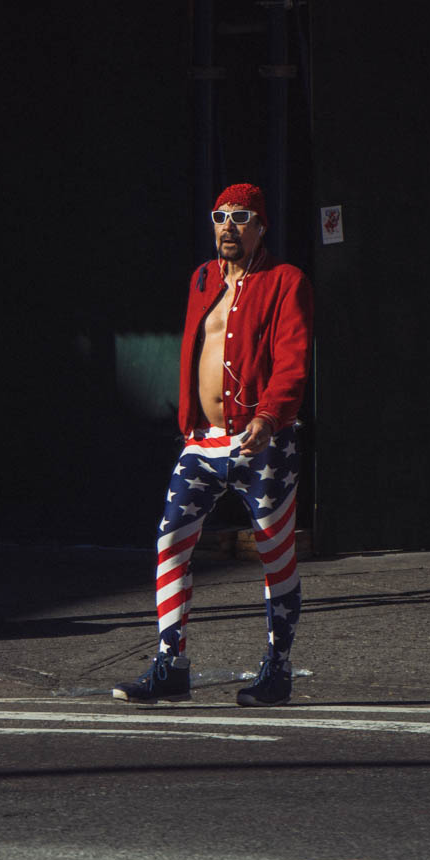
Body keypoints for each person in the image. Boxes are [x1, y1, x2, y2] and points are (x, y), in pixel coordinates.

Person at [114, 183, 313, 707]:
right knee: (170, 542)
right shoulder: (202, 278)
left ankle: (278, 667)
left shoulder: (285, 281)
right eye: (220, 216)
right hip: (202, 443)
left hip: (262, 441)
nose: (228, 225)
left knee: (275, 554)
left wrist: (269, 417)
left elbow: (292, 361)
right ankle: (171, 665)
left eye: (240, 217)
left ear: (260, 226)